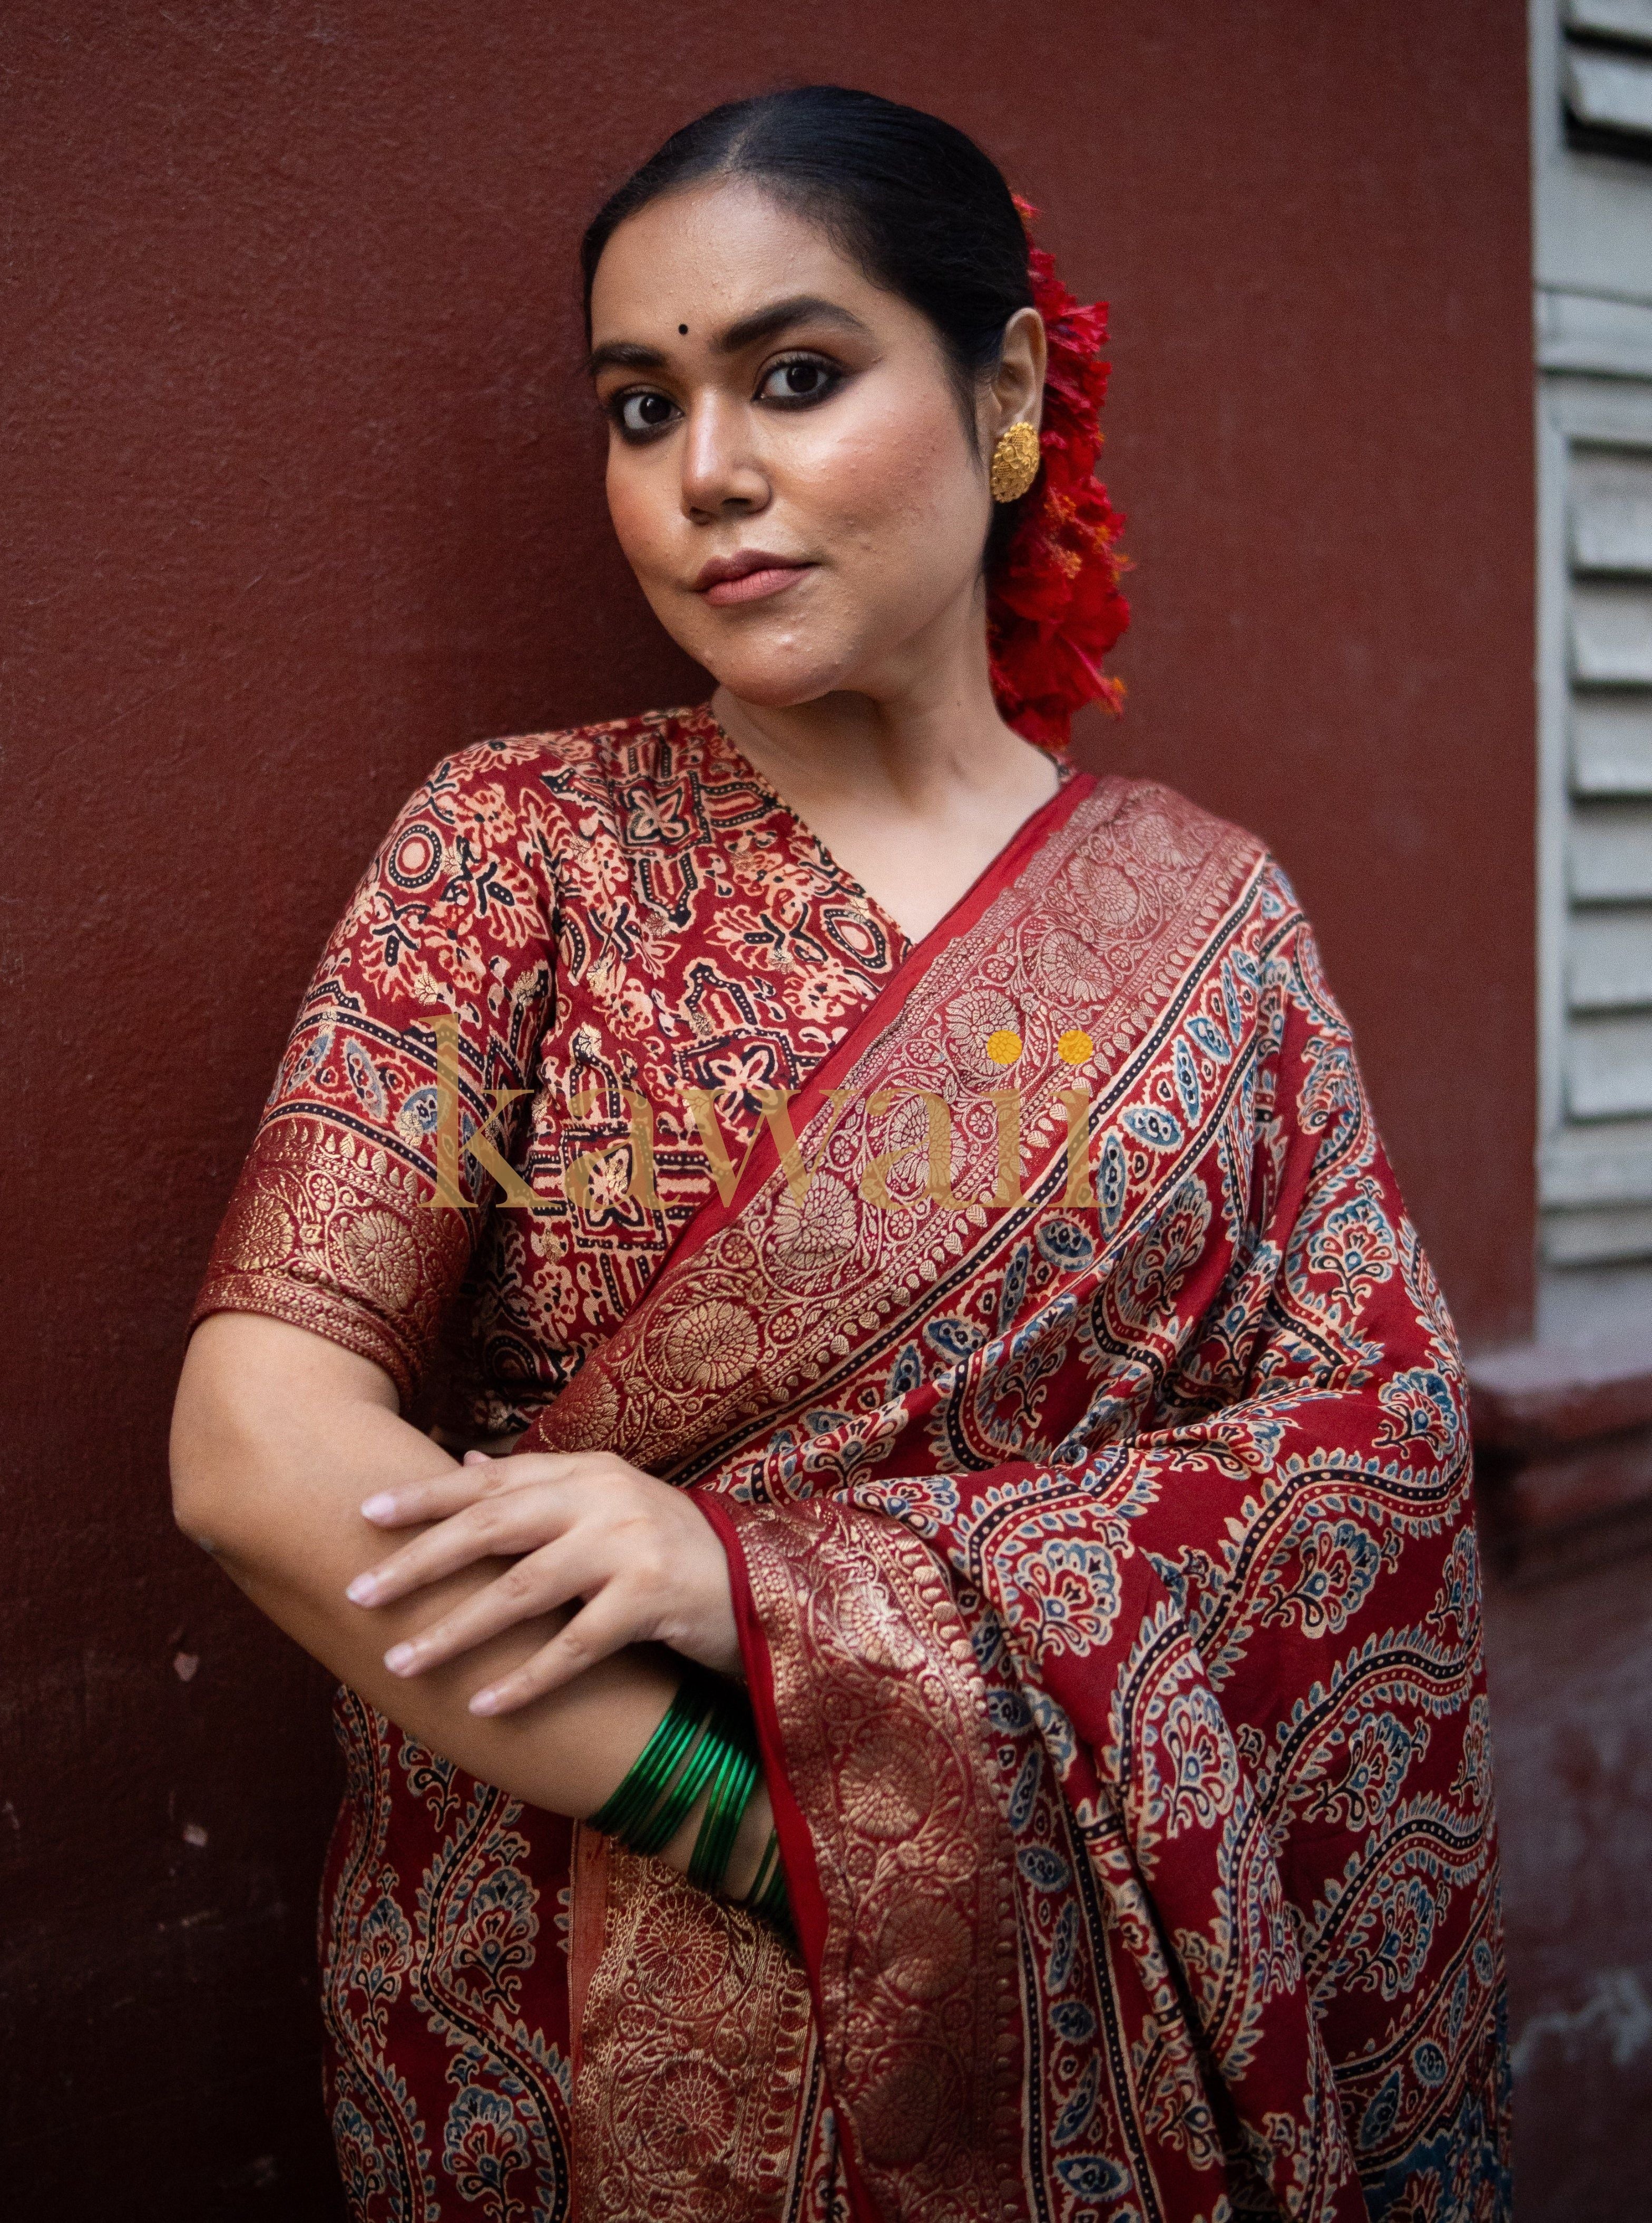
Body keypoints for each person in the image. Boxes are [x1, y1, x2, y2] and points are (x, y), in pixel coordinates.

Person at [169, 85, 1509, 2223]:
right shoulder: (518, 850)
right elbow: (256, 1441)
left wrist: (757, 1582)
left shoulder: (1215, 924)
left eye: (795, 377)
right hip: (594, 2000)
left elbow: (1382, 1454)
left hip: (1098, 2003)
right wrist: (750, 1811)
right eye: (638, 405)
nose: (705, 476)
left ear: (1001, 399)